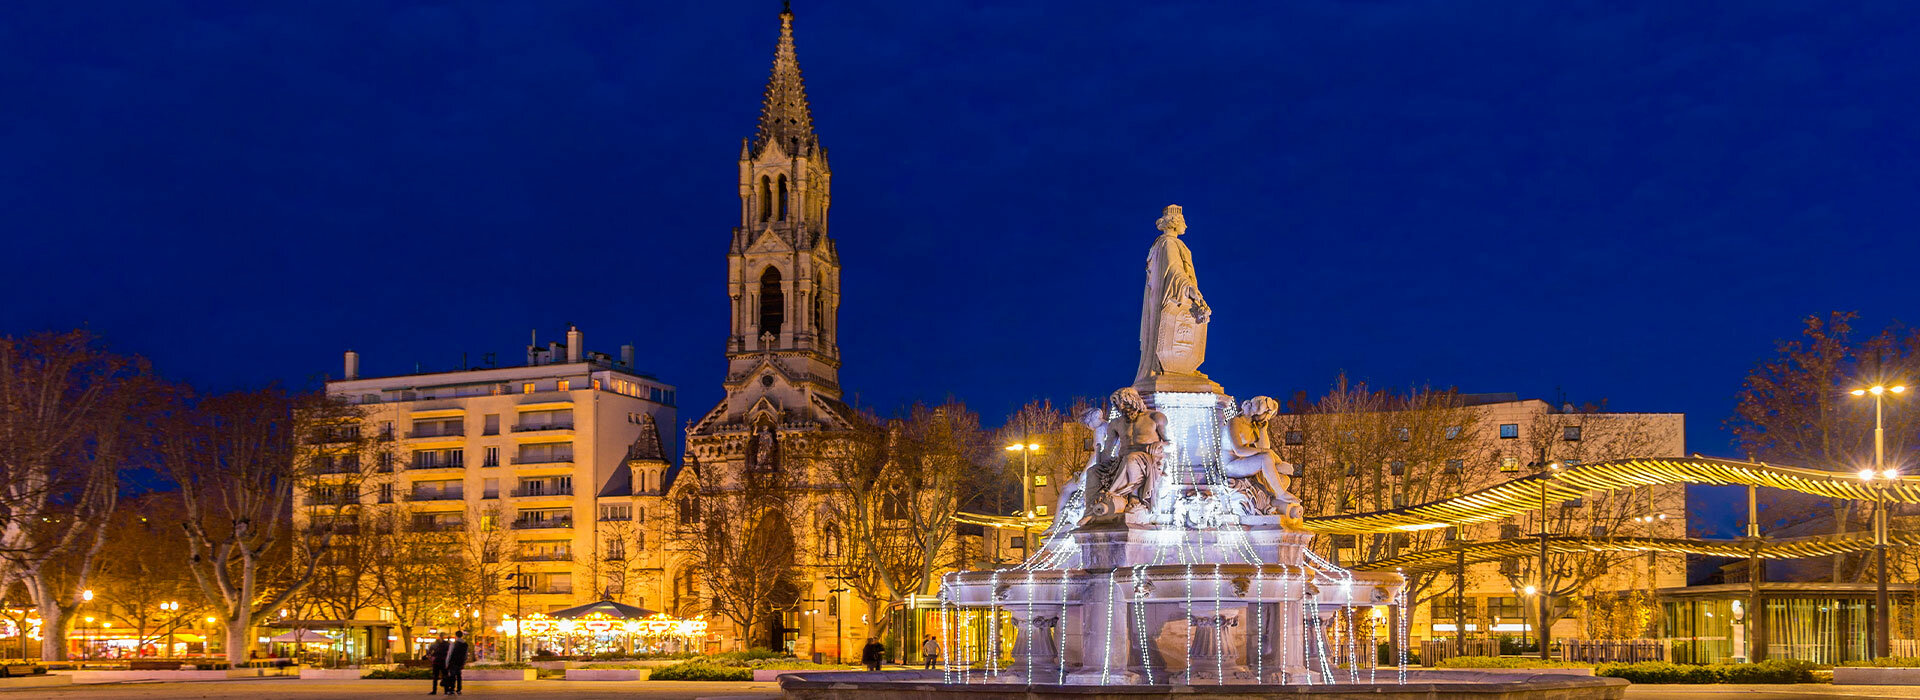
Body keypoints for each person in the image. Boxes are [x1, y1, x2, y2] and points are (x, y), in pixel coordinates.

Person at [442, 631, 470, 696]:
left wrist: (446, 663)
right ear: (462, 636)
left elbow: (450, 653)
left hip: (453, 662)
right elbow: (466, 655)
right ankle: (459, 689)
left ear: (456, 635)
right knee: (459, 675)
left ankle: (452, 689)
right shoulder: (465, 644)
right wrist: (464, 662)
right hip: (460, 662)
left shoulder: (454, 644)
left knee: (452, 675)